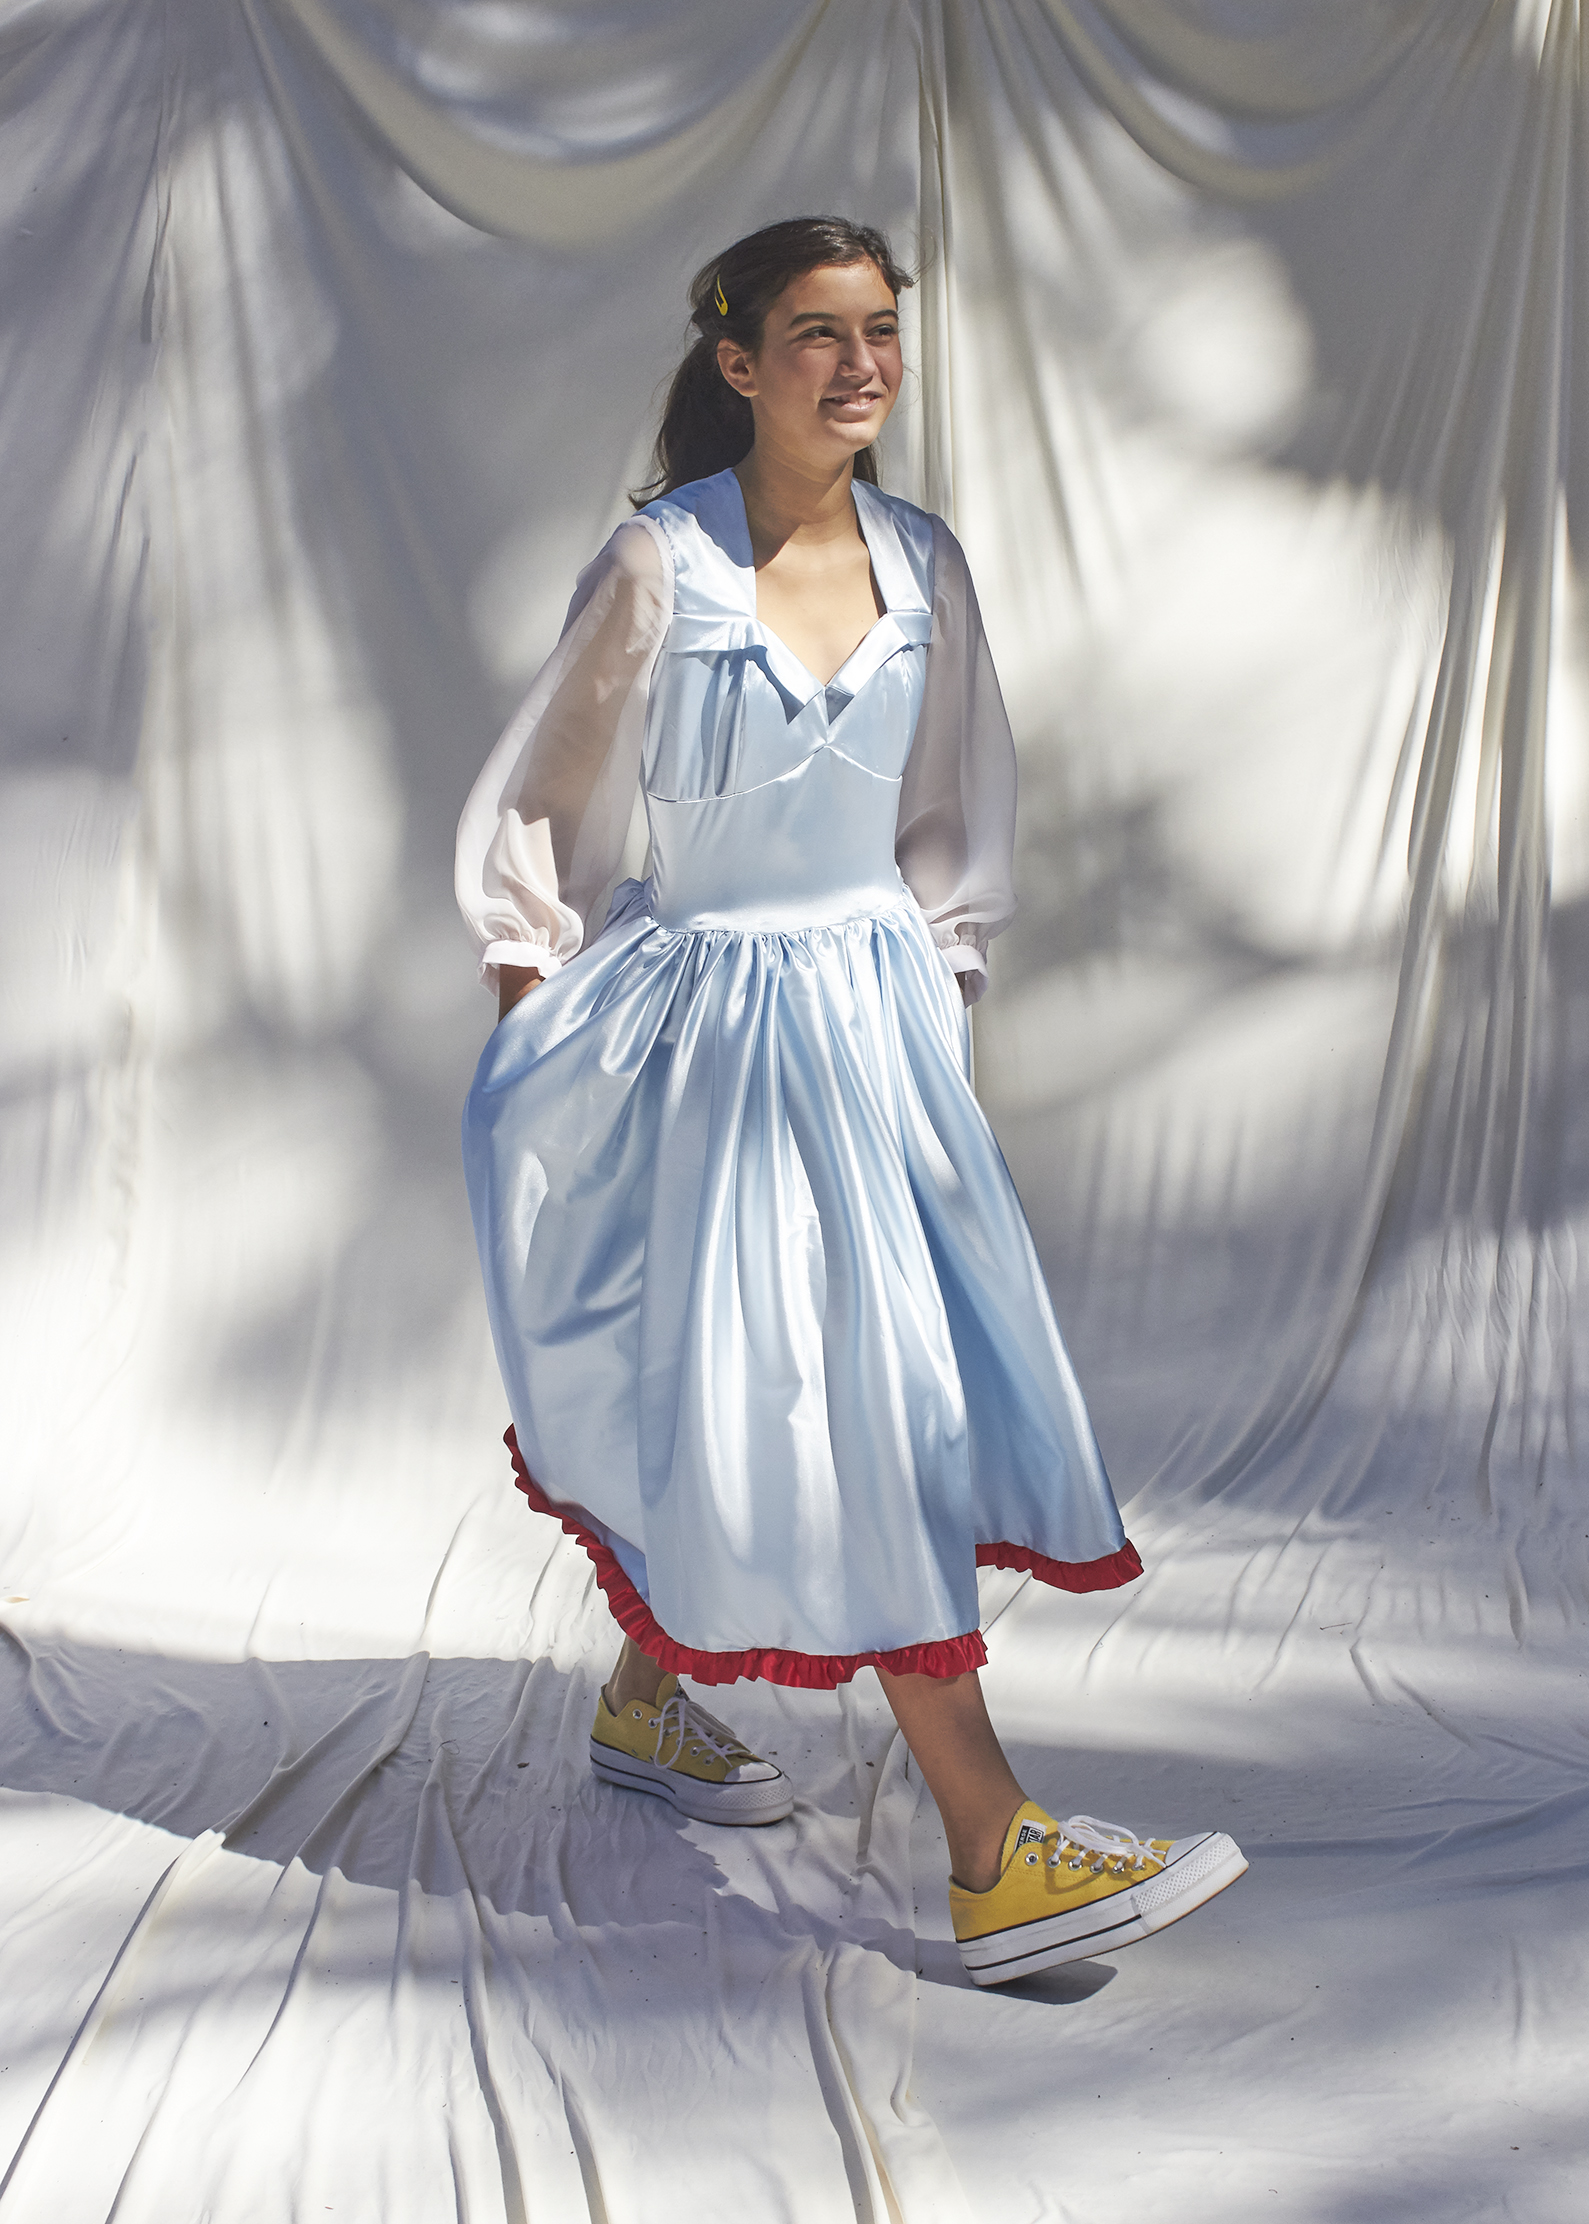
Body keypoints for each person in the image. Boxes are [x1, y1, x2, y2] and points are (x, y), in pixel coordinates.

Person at [455, 217, 1245, 1984]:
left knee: (812, 1386)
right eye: (816, 334)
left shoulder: (923, 557)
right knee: (840, 1408)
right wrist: (542, 1048)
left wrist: (925, 1009)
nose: (859, 363)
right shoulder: (660, 567)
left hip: (869, 1031)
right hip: (710, 1034)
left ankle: (655, 1703)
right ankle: (988, 1845)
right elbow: (543, 811)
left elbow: (954, 815)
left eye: (879, 330)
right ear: (737, 362)